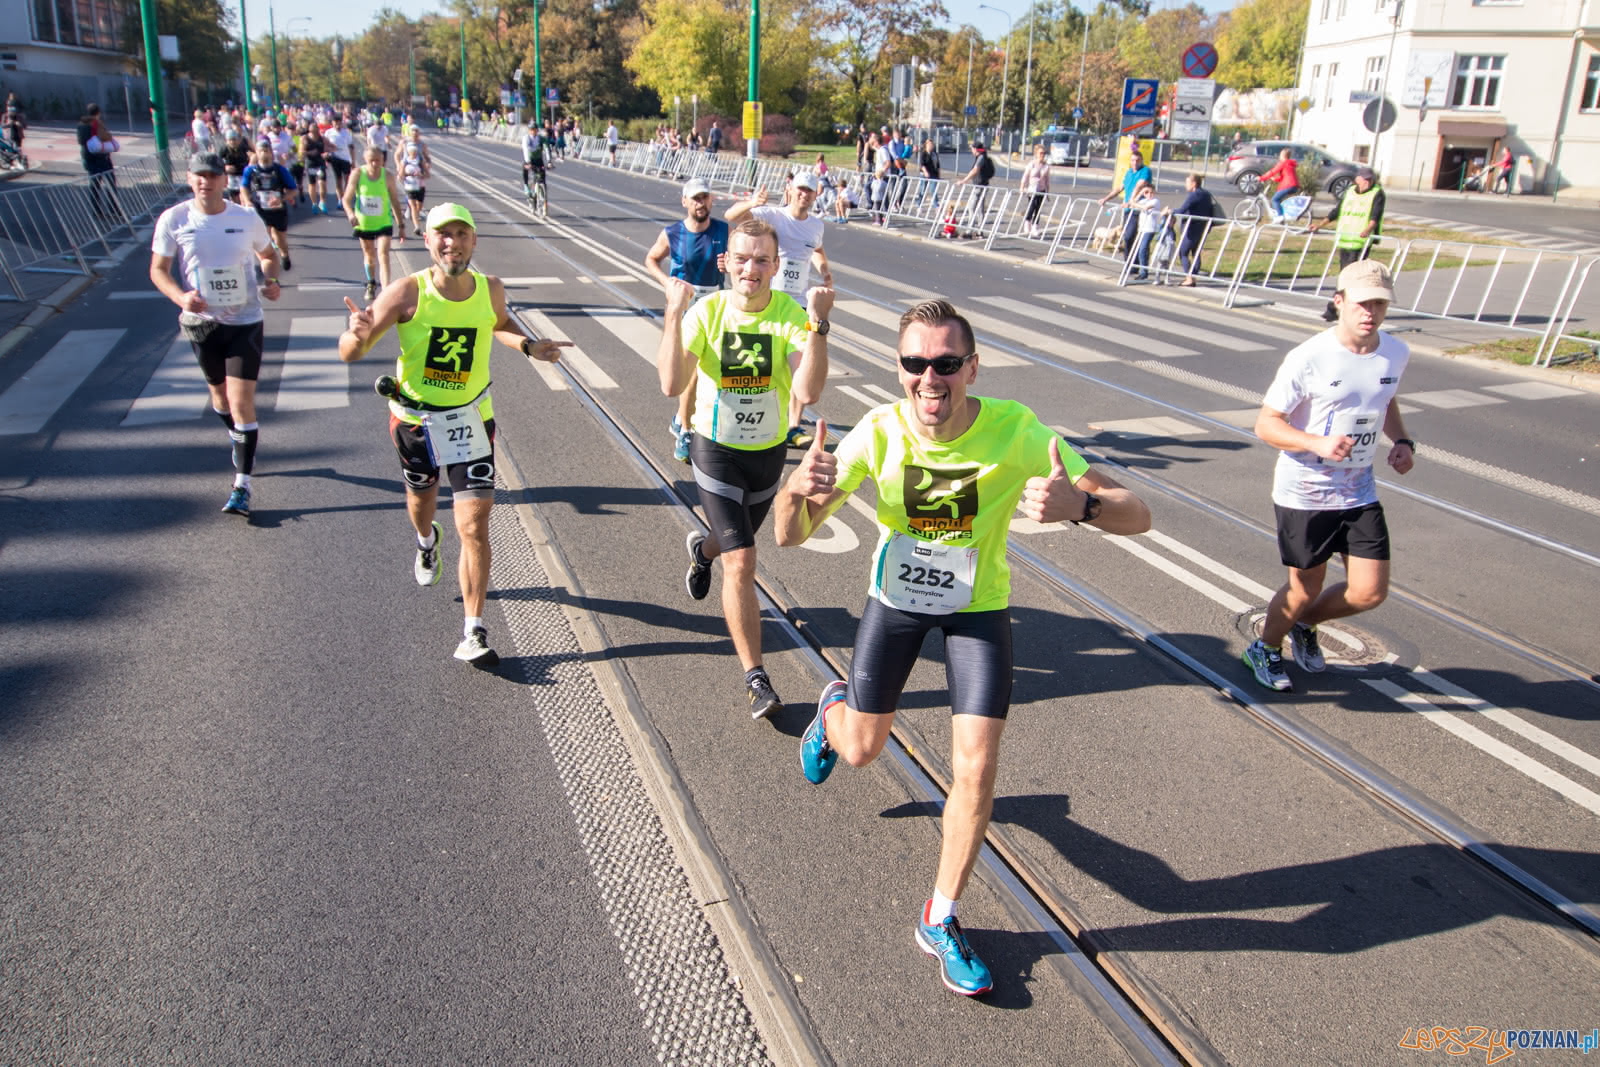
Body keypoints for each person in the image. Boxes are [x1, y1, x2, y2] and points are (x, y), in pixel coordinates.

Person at [774, 298, 1150, 995]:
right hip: (897, 603)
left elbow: (1140, 511)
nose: (929, 378)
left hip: (978, 607)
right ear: (898, 368)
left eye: (946, 363)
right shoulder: (878, 433)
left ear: (971, 367)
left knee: (975, 769)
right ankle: (834, 713)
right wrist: (795, 489)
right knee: (861, 749)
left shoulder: (1018, 432)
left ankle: (940, 917)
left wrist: (1084, 507)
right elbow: (788, 537)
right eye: (914, 363)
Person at [338, 203, 569, 666]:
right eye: (443, 234)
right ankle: (426, 542)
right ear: (427, 240)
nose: (453, 242)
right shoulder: (407, 292)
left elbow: (499, 324)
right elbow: (351, 353)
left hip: (470, 417)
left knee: (474, 524)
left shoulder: (491, 289)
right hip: (415, 422)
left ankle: (474, 630)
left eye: (462, 234)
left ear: (473, 241)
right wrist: (356, 335)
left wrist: (527, 344)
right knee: (422, 505)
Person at [656, 218, 832, 719]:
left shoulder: (788, 314)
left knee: (730, 543)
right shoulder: (708, 313)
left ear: (777, 266)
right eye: (742, 258)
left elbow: (809, 393)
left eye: (761, 260)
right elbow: (671, 383)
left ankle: (701, 548)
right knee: (743, 559)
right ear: (724, 262)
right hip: (716, 451)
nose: (750, 268)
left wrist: (818, 325)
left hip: (768, 453)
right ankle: (756, 678)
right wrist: (674, 314)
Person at [1242, 260, 1415, 693]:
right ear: (1339, 302)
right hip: (1305, 493)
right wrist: (1316, 443)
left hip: (1358, 490)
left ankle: (1304, 625)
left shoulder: (1395, 351)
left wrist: (1402, 442)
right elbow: (1266, 424)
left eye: (1379, 303)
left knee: (1369, 592)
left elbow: (1385, 401)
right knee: (1304, 588)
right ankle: (1264, 647)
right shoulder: (1309, 357)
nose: (1370, 312)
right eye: (1361, 303)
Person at [149, 151, 283, 517]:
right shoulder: (174, 219)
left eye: (212, 175)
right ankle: (239, 437)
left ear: (225, 181)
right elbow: (158, 270)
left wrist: (270, 280)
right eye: (198, 176)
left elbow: (268, 255)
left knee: (242, 403)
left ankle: (242, 485)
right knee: (220, 399)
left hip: (245, 320)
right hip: (202, 323)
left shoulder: (245, 218)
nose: (205, 181)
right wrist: (181, 297)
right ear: (190, 180)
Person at [725, 172, 834, 448]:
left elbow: (818, 249)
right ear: (790, 189)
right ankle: (755, 414)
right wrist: (751, 201)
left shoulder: (816, 225)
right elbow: (731, 215)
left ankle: (794, 426)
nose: (804, 195)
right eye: (800, 189)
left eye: (809, 191)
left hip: (799, 304)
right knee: (765, 364)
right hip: (770, 301)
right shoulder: (772, 215)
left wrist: (825, 271)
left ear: (815, 194)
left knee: (801, 364)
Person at [645, 179, 730, 464]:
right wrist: (667, 283)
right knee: (691, 372)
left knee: (714, 369)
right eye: (695, 198)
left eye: (704, 197)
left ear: (711, 200)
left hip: (716, 308)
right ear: (685, 201)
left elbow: (737, 258)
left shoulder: (722, 230)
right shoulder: (673, 233)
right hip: (686, 310)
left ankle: (686, 419)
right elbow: (651, 259)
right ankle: (685, 427)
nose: (700, 203)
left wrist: (728, 264)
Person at [1307, 166, 1384, 322]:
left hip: (1360, 243)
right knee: (1348, 277)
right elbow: (1337, 211)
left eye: (1370, 180)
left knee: (1349, 277)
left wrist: (1368, 229)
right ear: (1357, 179)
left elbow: (1376, 214)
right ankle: (1349, 307)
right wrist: (1320, 225)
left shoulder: (1377, 193)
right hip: (1345, 239)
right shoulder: (1349, 192)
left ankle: (1336, 309)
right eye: (1365, 179)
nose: (1368, 183)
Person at [343, 144, 408, 301]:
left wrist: (401, 225)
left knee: (383, 254)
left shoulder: (388, 177)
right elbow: (346, 199)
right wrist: (351, 214)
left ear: (383, 160)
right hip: (364, 224)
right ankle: (371, 283)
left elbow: (395, 201)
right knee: (369, 255)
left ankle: (385, 291)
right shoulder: (358, 174)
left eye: (378, 160)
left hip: (384, 223)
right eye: (371, 160)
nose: (375, 164)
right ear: (365, 160)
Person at [239, 141, 296, 270]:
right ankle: (269, 265)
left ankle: (284, 255)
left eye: (266, 150)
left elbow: (293, 190)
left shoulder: (280, 170)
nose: (264, 153)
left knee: (280, 239)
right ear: (256, 153)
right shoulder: (250, 170)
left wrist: (281, 198)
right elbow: (243, 186)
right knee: (263, 240)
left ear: (271, 152)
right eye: (260, 151)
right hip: (260, 209)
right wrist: (247, 201)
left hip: (277, 210)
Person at [1170, 172, 1221, 287]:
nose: (1185, 185)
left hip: (1191, 228)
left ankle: (1189, 278)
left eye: (1187, 182)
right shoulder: (1206, 194)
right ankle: (1194, 276)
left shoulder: (1194, 195)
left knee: (1183, 252)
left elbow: (1182, 210)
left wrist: (1170, 211)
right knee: (1196, 252)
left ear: (1193, 183)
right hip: (1203, 227)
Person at [1097, 148, 1151, 254]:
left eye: (1137, 160)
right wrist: (1105, 198)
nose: (1135, 163)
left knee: (1132, 236)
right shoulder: (1129, 172)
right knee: (1127, 237)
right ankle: (1129, 264)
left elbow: (1139, 186)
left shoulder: (1145, 171)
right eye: (1133, 160)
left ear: (1141, 161)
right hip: (1127, 209)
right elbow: (1119, 188)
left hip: (1138, 208)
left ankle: (1135, 264)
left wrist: (1132, 201)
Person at [77, 103, 120, 224]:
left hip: (89, 159)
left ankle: (97, 211)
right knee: (111, 184)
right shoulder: (96, 124)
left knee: (94, 186)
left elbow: (81, 141)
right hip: (102, 158)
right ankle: (113, 209)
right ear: (98, 113)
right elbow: (106, 137)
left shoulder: (81, 125)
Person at [953, 141, 996, 239]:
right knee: (980, 209)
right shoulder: (983, 157)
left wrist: (964, 181)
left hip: (979, 186)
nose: (971, 150)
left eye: (972, 148)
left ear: (976, 149)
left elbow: (975, 170)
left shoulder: (981, 158)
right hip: (982, 185)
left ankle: (970, 230)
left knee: (971, 207)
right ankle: (980, 231)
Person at [1126, 180, 1163, 281]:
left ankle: (1143, 272)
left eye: (1151, 192)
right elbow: (1131, 203)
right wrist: (1140, 193)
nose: (1149, 194)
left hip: (1150, 229)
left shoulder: (1155, 201)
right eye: (1147, 192)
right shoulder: (1143, 200)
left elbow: (1145, 208)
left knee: (1143, 249)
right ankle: (1143, 270)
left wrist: (1134, 203)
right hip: (1142, 228)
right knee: (1140, 250)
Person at [398, 127, 431, 232]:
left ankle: (414, 215)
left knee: (418, 206)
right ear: (408, 151)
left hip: (420, 185)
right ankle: (417, 227)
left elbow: (428, 175)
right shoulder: (405, 161)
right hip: (410, 186)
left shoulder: (420, 160)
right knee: (413, 206)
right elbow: (400, 176)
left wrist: (421, 175)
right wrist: (407, 174)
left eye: (415, 151)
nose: (413, 152)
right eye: (411, 151)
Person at [1019, 142, 1050, 239]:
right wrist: (1022, 187)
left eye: (1044, 153)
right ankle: (1027, 222)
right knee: (1032, 207)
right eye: (1041, 153)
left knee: (1038, 209)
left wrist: (1048, 192)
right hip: (1032, 189)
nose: (1042, 155)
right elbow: (1025, 176)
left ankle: (1035, 227)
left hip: (1041, 189)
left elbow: (1047, 180)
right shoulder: (1031, 164)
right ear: (1036, 154)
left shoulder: (1046, 166)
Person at [1260, 148, 1299, 221]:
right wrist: (1274, 179)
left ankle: (1280, 217)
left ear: (1283, 155)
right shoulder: (1289, 164)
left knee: (1275, 200)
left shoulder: (1283, 163)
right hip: (1294, 185)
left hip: (1288, 185)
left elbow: (1272, 171)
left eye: (1280, 154)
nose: (1279, 156)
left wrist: (1261, 178)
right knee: (1279, 200)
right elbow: (1284, 176)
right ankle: (1282, 215)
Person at [300, 121, 329, 213]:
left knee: (322, 183)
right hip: (310, 163)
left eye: (315, 130)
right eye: (311, 131)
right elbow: (301, 152)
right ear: (309, 130)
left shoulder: (322, 138)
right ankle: (314, 203)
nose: (313, 133)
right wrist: (309, 153)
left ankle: (322, 202)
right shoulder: (305, 138)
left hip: (320, 163)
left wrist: (327, 154)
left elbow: (328, 148)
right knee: (312, 184)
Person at [520, 123, 548, 205]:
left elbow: (547, 149)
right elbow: (525, 149)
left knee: (542, 176)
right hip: (529, 159)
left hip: (538, 159)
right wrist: (528, 162)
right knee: (524, 168)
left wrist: (549, 161)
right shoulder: (526, 138)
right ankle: (526, 186)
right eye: (532, 130)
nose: (533, 132)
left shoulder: (540, 138)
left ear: (537, 130)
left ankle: (542, 195)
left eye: (535, 130)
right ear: (529, 131)